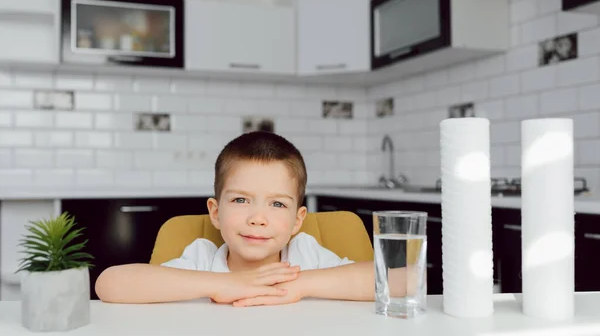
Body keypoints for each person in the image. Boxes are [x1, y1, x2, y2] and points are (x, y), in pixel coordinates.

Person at [95, 131, 411, 306]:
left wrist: (300, 285)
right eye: (241, 200)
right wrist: (224, 284)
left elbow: (402, 279)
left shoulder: (305, 254)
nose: (258, 218)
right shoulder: (203, 257)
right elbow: (109, 284)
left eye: (276, 204)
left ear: (297, 220)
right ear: (215, 212)